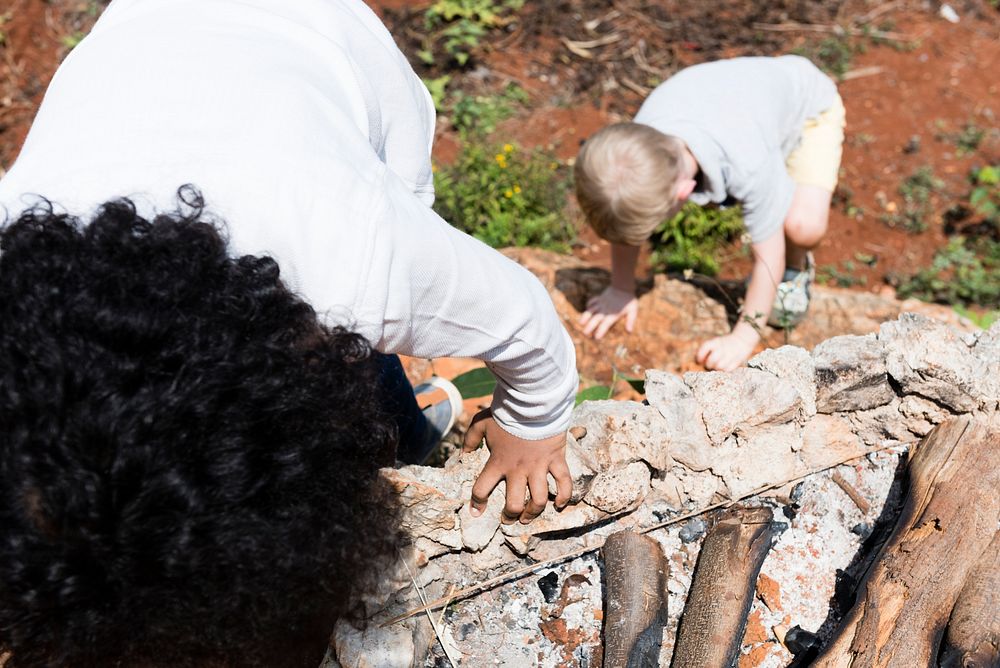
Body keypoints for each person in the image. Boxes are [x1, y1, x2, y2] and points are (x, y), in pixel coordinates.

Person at [0, 0, 577, 665]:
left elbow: (523, 317)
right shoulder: (23, 283)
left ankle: (421, 422)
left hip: (326, 40)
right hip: (137, 43)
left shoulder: (365, 256)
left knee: (365, 361)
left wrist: (533, 427)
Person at [574, 55, 845, 371]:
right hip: (742, 100)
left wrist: (744, 337)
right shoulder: (639, 147)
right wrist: (621, 287)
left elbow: (768, 259)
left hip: (808, 109)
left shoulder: (748, 165)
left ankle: (797, 271)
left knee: (802, 226)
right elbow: (625, 217)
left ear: (683, 194)